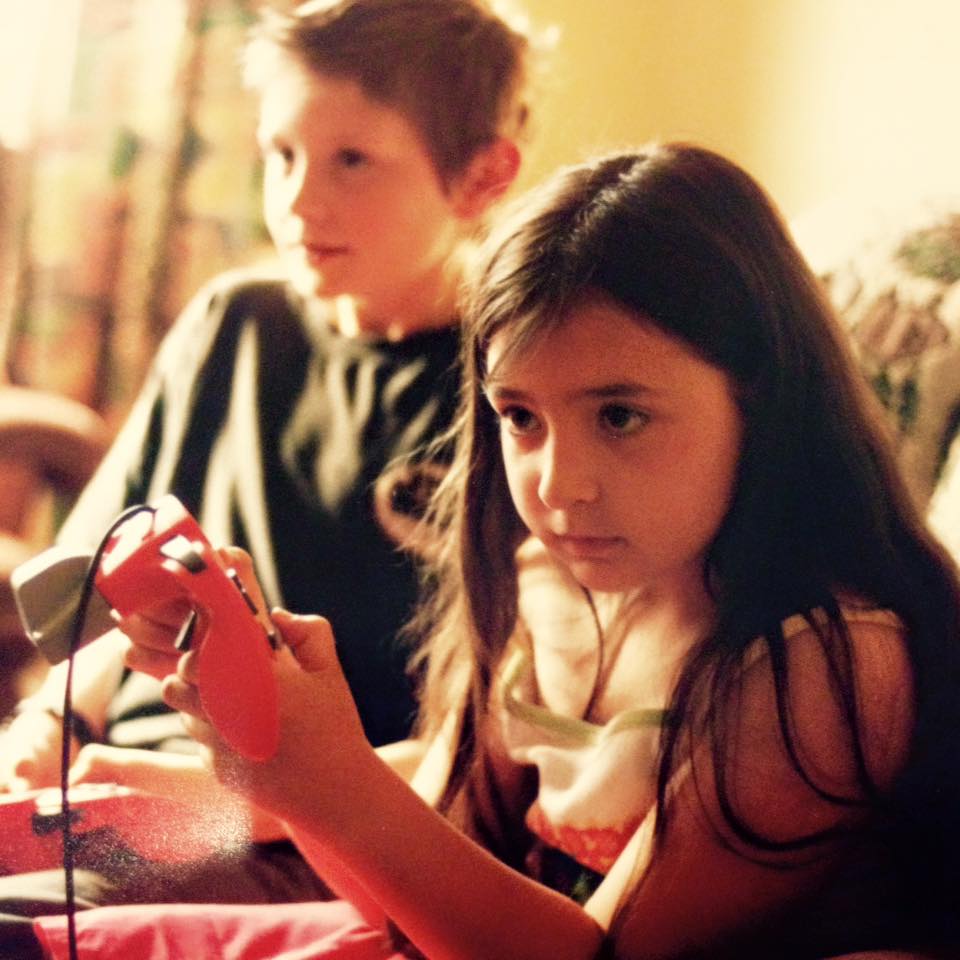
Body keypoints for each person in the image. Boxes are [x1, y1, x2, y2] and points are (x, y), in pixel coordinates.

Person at [42, 143, 960, 959]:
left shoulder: (825, 663)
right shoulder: (552, 582)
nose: (559, 486)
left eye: (621, 415)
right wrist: (277, 753)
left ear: (761, 397)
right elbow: (411, 898)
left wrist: (332, 786)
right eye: (520, 417)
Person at [0, 0, 535, 948]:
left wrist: (230, 793)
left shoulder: (517, 395)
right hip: (117, 780)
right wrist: (46, 726)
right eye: (279, 154)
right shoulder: (234, 323)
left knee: (39, 912)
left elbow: (483, 754)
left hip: (306, 827)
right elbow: (104, 586)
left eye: (352, 161)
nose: (296, 199)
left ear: (482, 177)